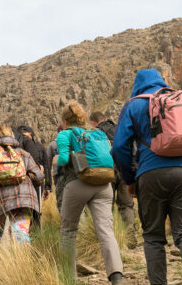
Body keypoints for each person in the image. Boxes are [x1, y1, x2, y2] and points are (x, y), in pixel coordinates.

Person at [112, 68, 182, 285]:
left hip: (150, 174)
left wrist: (130, 179)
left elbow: (118, 148)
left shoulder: (134, 104)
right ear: (161, 81)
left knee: (153, 237)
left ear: (137, 86)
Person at [57, 101, 124, 285]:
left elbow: (63, 159)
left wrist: (57, 160)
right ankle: (116, 276)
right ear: (82, 118)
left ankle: (68, 277)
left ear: (64, 119)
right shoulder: (98, 133)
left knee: (68, 231)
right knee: (106, 231)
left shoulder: (65, 134)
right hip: (104, 184)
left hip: (77, 183)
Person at [0, 124, 44, 244]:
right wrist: (26, 176)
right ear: (12, 135)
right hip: (23, 199)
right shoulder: (23, 154)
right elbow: (38, 177)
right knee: (21, 234)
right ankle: (24, 261)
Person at [90, 111, 138, 249]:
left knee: (106, 204)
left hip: (105, 171)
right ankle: (130, 232)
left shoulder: (95, 132)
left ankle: (110, 237)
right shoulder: (120, 128)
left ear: (94, 122)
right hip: (124, 169)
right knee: (126, 204)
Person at [46, 124, 66, 213]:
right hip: (75, 175)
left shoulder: (53, 144)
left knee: (61, 201)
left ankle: (65, 224)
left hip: (58, 175)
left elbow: (47, 164)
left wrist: (47, 182)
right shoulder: (74, 141)